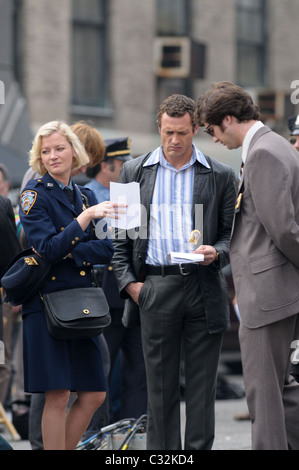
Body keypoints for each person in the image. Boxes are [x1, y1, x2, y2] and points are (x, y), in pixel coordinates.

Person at [112, 94, 236, 450]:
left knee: (201, 391)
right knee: (160, 391)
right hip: (155, 286)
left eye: (182, 132)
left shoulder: (221, 175)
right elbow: (120, 242)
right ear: (159, 128)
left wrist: (217, 252)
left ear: (196, 128)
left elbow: (231, 236)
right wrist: (133, 287)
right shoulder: (132, 171)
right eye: (168, 132)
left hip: (203, 286)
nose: (175, 140)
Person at [195, 81, 299, 450]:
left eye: (211, 130)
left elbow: (284, 229)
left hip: (267, 297)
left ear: (228, 118)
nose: (214, 139)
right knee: (283, 391)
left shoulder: (263, 153)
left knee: (264, 396)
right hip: (275, 293)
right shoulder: (273, 146)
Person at [18, 120, 123, 450]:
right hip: (47, 305)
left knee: (93, 394)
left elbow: (108, 248)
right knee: (58, 394)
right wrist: (84, 220)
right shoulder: (34, 196)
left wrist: (71, 248)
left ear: (74, 151)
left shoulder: (85, 195)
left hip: (82, 301)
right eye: (45, 151)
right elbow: (47, 249)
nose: (52, 156)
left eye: (59, 148)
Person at [85, 137, 148, 423]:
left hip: (131, 285)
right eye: (121, 162)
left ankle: (135, 429)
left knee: (139, 367)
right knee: (102, 365)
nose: (126, 167)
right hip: (101, 286)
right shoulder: (86, 195)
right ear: (105, 164)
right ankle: (100, 430)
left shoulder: (128, 195)